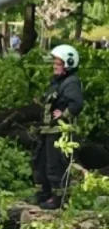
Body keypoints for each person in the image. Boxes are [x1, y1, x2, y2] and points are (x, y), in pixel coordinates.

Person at [31, 45, 84, 210]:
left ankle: (59, 198)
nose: (54, 66)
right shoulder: (57, 82)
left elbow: (76, 104)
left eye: (58, 63)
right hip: (48, 130)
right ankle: (44, 194)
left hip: (59, 132)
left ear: (68, 64)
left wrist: (63, 114)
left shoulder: (71, 82)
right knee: (40, 162)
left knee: (55, 165)